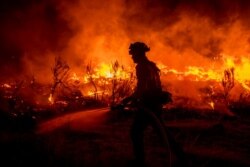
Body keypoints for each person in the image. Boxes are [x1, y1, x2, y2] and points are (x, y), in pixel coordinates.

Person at [120, 42, 187, 166]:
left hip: (148, 105)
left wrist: (128, 99)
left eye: (133, 54)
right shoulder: (152, 65)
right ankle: (183, 158)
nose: (132, 56)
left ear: (139, 53)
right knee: (163, 133)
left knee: (135, 132)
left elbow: (141, 88)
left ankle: (140, 162)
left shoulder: (141, 67)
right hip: (155, 104)